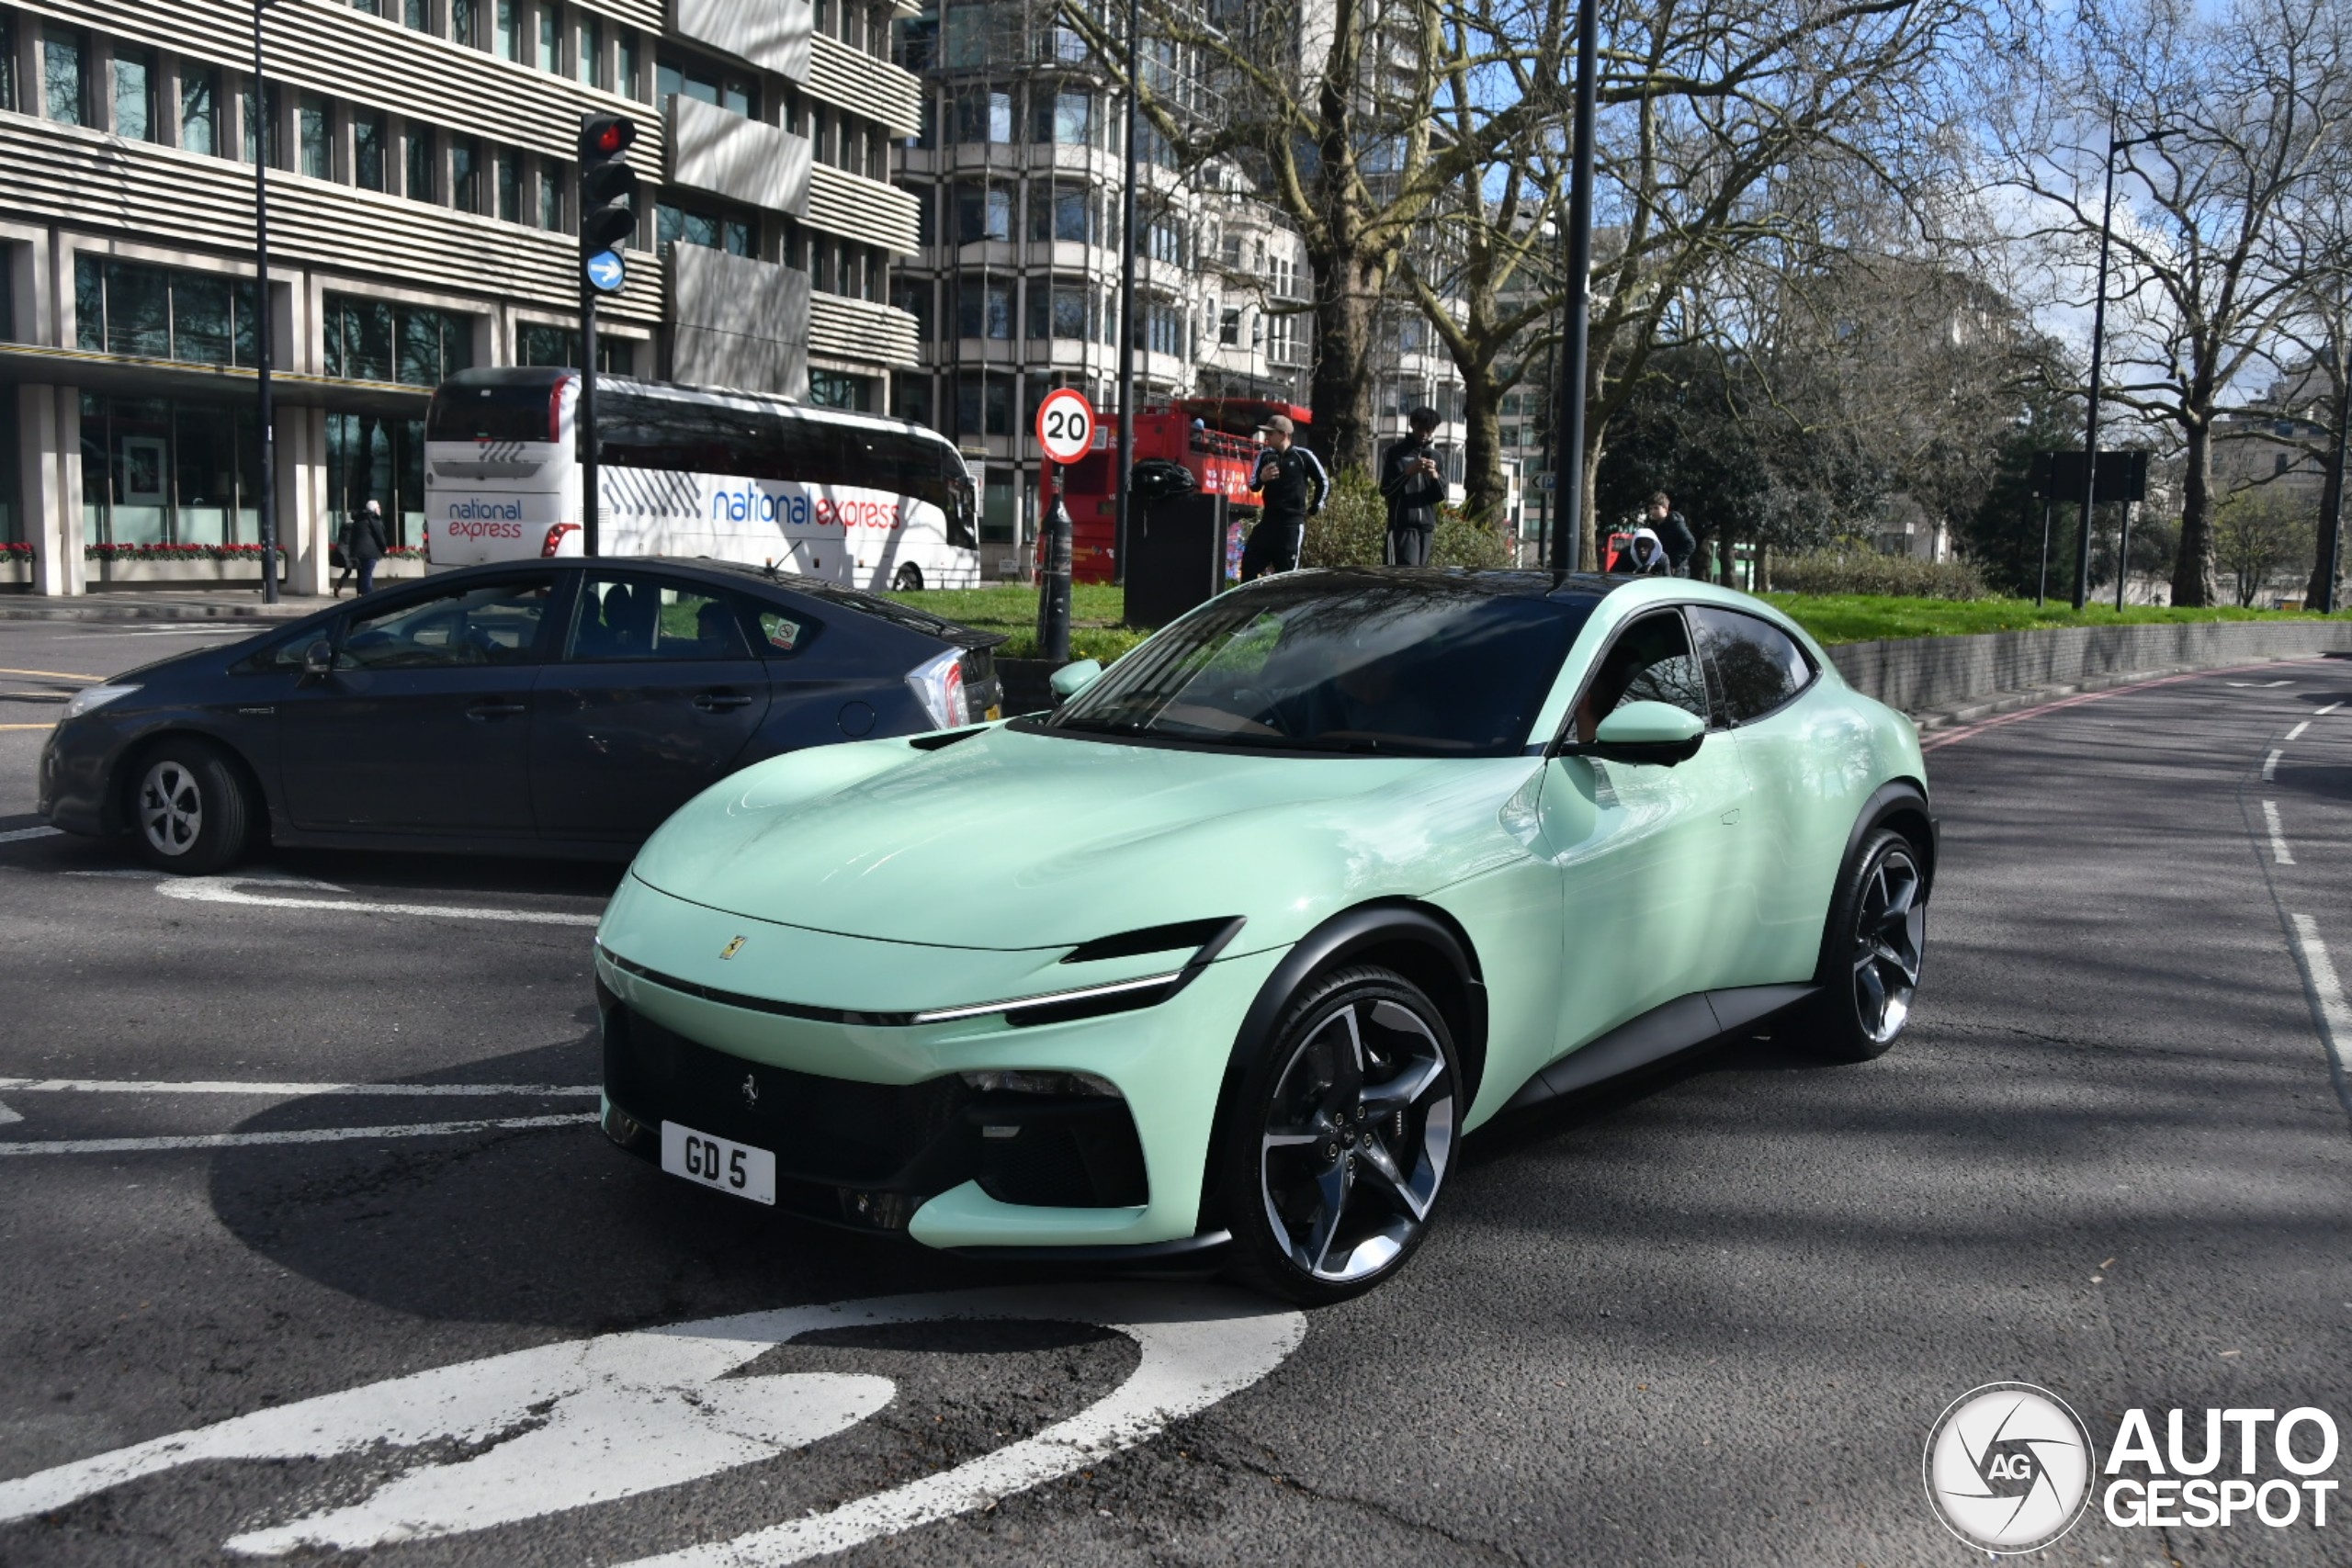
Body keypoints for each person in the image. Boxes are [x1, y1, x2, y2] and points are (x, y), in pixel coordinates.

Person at [1240, 414, 1329, 581]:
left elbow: (1323, 481)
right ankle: (1248, 606)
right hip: (1268, 521)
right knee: (1249, 566)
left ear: (1283, 434)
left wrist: (1315, 506)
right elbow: (1253, 485)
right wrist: (1262, 479)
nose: (1266, 437)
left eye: (1270, 433)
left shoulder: (1303, 456)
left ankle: (1281, 606)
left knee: (1285, 576)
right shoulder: (1264, 456)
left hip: (1291, 525)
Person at [1379, 406, 1446, 566]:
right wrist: (1408, 473)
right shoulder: (1395, 453)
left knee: (1421, 579)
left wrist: (1434, 477)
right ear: (1412, 425)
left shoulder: (1436, 456)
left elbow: (1441, 496)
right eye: (1420, 428)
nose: (1424, 434)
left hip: (1426, 529)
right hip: (1402, 527)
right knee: (1403, 576)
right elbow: (1386, 490)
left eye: (1429, 430)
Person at [336, 500, 388, 597]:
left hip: (359, 552)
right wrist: (384, 548)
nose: (380, 510)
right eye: (378, 508)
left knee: (364, 573)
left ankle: (363, 593)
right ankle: (368, 594)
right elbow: (380, 535)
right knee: (367, 573)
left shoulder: (359, 519)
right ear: (374, 509)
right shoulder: (373, 519)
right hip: (370, 552)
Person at [1645, 491, 1696, 577]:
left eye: (1656, 508)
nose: (1652, 511)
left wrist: (1674, 562)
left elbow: (1690, 543)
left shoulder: (1676, 523)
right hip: (1660, 569)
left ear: (1665, 508)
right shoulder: (1653, 526)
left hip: (1677, 571)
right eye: (1650, 509)